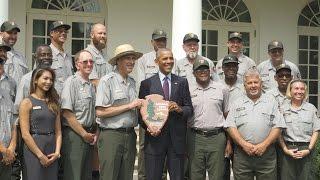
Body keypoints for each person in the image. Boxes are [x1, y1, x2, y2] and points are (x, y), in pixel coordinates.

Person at [139, 48, 193, 180]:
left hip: (177, 142)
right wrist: (149, 128)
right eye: (165, 59)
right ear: (156, 61)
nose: (169, 61)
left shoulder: (181, 82)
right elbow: (141, 114)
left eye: (171, 58)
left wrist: (179, 109)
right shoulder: (147, 84)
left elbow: (189, 109)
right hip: (154, 141)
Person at [224, 69, 286, 180]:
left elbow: (278, 126)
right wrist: (244, 145)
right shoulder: (237, 103)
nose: (253, 85)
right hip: (242, 156)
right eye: (249, 83)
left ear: (261, 84)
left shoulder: (271, 101)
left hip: (266, 155)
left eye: (256, 82)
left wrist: (264, 145)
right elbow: (230, 126)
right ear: (244, 85)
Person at [95, 44, 143, 180]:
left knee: (127, 177)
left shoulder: (132, 82)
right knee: (109, 176)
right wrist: (129, 106)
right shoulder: (107, 81)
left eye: (133, 58)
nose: (132, 62)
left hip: (130, 135)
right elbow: (100, 112)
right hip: (111, 136)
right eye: (128, 58)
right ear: (118, 61)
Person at [187, 58, 231, 180]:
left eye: (205, 69)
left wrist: (229, 142)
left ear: (210, 71)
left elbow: (227, 116)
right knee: (195, 175)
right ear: (193, 72)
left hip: (217, 138)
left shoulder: (222, 89)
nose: (203, 72)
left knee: (217, 176)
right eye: (199, 69)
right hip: (195, 138)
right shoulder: (187, 90)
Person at [136, 29, 169, 180]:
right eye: (158, 40)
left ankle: (161, 176)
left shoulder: (169, 57)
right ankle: (143, 176)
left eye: (163, 40)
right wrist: (146, 117)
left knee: (164, 145)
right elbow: (141, 86)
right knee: (144, 145)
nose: (161, 43)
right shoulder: (144, 59)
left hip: (164, 111)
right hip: (148, 110)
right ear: (152, 42)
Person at [19, 68, 62, 180]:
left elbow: (58, 131)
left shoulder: (54, 102)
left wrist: (57, 153)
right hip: (34, 149)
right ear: (35, 80)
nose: (49, 82)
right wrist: (40, 155)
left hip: (52, 150)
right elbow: (25, 134)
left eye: (51, 79)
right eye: (45, 78)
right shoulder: (26, 102)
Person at [60, 50, 96, 180]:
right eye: (85, 62)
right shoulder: (71, 82)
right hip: (75, 135)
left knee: (86, 175)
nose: (89, 64)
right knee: (74, 175)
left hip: (89, 135)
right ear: (77, 64)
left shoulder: (91, 85)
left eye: (91, 61)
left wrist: (92, 134)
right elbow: (67, 113)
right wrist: (83, 134)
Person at [279, 80, 320, 180]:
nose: (299, 91)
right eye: (296, 88)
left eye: (302, 89)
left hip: (306, 149)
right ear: (290, 91)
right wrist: (285, 149)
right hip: (288, 150)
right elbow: (278, 133)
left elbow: (316, 130)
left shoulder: (311, 109)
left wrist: (309, 149)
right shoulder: (282, 109)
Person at [266, 63, 293, 180]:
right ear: (275, 78)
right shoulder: (268, 95)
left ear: (292, 78)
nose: (284, 78)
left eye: (287, 75)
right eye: (281, 75)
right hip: (272, 141)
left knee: (289, 173)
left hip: (290, 139)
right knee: (273, 173)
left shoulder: (296, 93)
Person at [220, 54, 245, 180]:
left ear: (237, 68)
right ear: (222, 68)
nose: (231, 68)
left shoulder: (244, 87)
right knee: (222, 171)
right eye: (228, 66)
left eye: (234, 66)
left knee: (240, 171)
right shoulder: (217, 85)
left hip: (240, 133)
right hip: (220, 134)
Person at [14, 44, 53, 113]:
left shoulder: (54, 77)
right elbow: (18, 107)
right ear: (35, 57)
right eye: (43, 55)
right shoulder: (27, 79)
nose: (46, 57)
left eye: (49, 55)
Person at [0, 21, 29, 86]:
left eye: (15, 33)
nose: (13, 37)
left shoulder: (21, 57)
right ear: (1, 34)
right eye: (9, 33)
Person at [49, 21, 73, 95]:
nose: (63, 33)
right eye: (60, 31)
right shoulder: (46, 54)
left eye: (65, 31)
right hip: (53, 100)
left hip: (68, 100)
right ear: (51, 33)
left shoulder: (68, 56)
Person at [0, 72, 17, 180]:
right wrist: (3, 150)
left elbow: (13, 124)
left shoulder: (7, 95)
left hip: (6, 156)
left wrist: (11, 148)